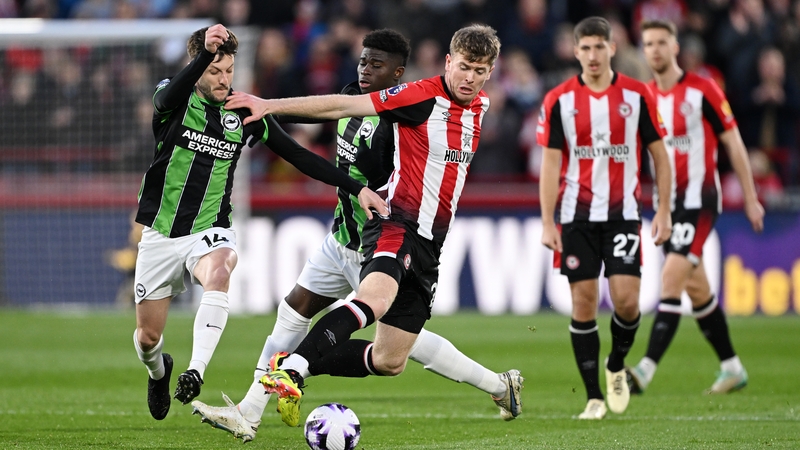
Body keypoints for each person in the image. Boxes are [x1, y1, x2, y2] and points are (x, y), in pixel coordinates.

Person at [190, 27, 523, 442]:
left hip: (421, 243)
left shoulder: (474, 105)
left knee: (392, 356)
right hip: (383, 230)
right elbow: (339, 105)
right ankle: (271, 390)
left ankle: (499, 386)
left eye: (479, 70)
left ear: (489, 73)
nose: (469, 78)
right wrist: (266, 106)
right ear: (447, 62)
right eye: (463, 67)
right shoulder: (414, 97)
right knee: (328, 306)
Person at [132, 24, 386, 422]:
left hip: (210, 229)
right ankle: (157, 369)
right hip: (161, 232)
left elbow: (299, 156)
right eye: (215, 71)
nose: (224, 79)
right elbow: (166, 96)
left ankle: (196, 369)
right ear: (196, 69)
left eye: (229, 70)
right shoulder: (176, 99)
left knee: (220, 268)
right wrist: (204, 55)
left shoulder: (244, 111)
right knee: (147, 337)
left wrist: (355, 188)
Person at [537, 16, 672, 420]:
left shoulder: (637, 95)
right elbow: (550, 164)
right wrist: (548, 221)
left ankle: (616, 363)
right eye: (585, 48)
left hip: (623, 214)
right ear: (575, 52)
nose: (593, 56)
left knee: (628, 303)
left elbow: (659, 156)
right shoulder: (559, 99)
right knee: (584, 303)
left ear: (613, 48)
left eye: (600, 47)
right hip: (576, 214)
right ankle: (594, 396)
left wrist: (663, 208)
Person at [626, 19, 765, 396]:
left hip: (700, 199)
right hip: (666, 206)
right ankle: (732, 367)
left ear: (675, 48)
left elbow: (733, 142)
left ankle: (644, 370)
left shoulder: (703, 89)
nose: (654, 49)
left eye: (661, 42)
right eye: (648, 43)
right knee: (698, 290)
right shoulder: (644, 98)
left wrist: (751, 198)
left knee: (671, 278)